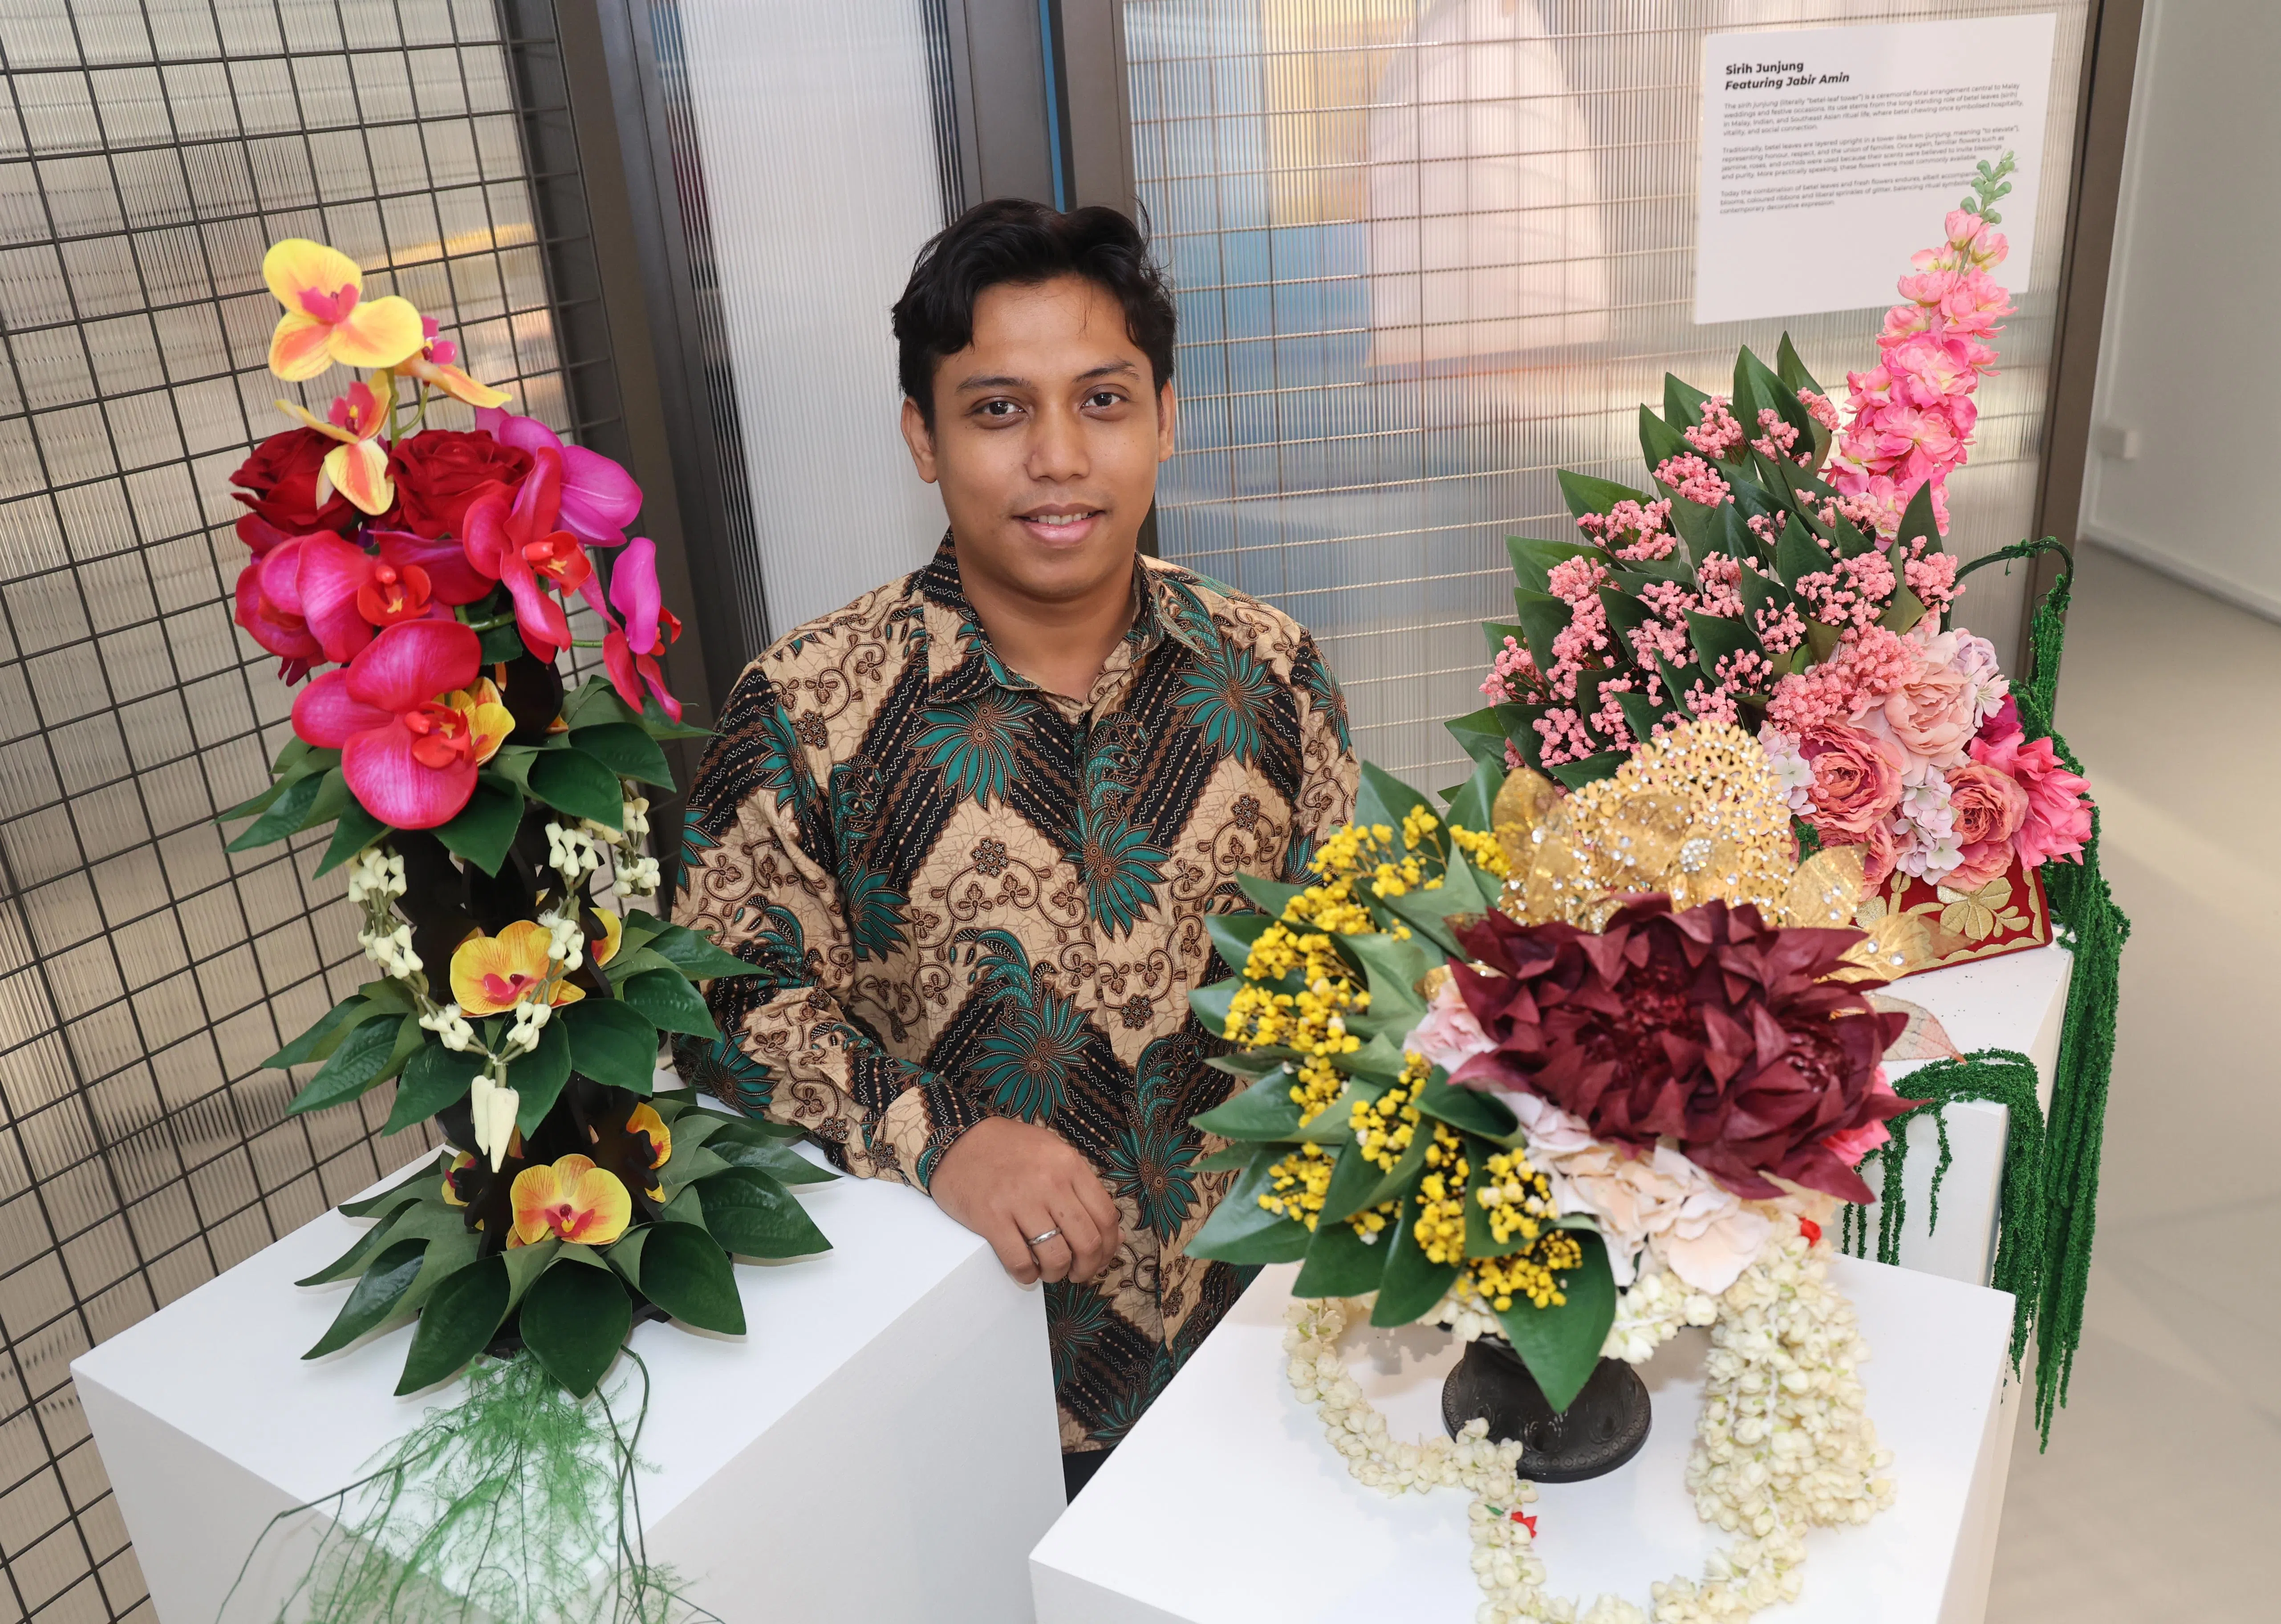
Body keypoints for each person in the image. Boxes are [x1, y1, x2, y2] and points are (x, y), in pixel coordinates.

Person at [672, 199, 1358, 1500]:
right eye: (996, 410)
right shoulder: (808, 708)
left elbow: (1348, 966)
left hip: (1265, 1347)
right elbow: (721, 1003)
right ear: (921, 438)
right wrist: (936, 1137)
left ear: (1164, 416)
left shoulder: (1271, 671)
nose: (1057, 455)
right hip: (970, 1391)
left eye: (1100, 401)